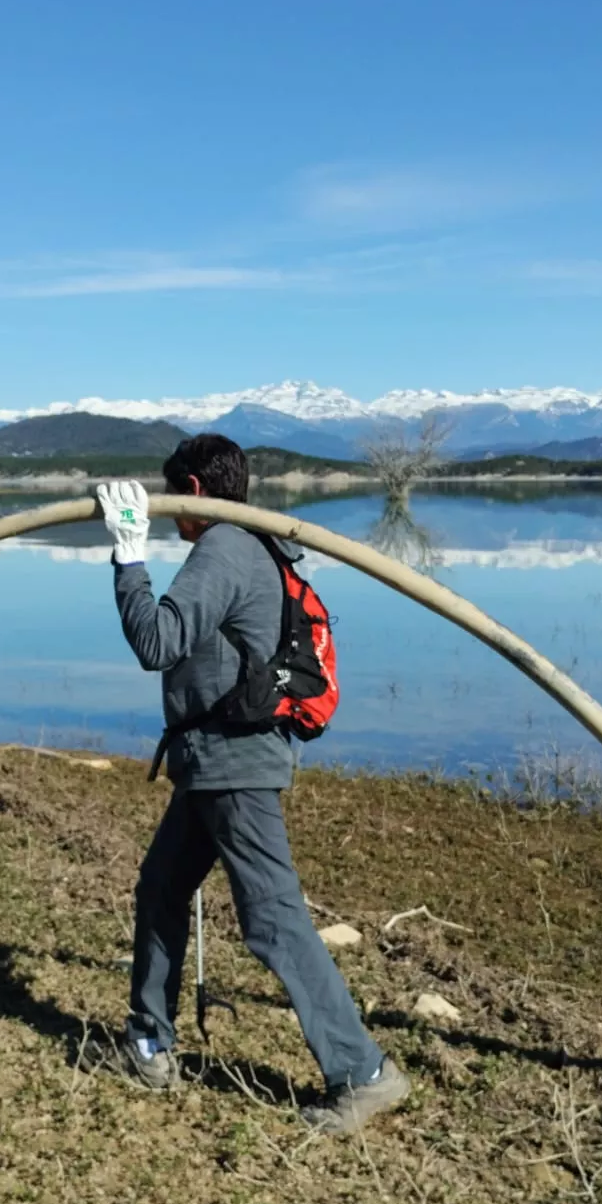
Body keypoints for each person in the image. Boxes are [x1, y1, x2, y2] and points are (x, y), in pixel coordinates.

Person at [95, 434, 410, 1135]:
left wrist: (128, 554)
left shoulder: (227, 549)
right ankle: (149, 1045)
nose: (176, 516)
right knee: (161, 891)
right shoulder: (252, 545)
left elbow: (156, 642)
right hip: (211, 763)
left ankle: (362, 1072)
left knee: (273, 920)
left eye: (175, 498)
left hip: (234, 766)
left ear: (195, 492)